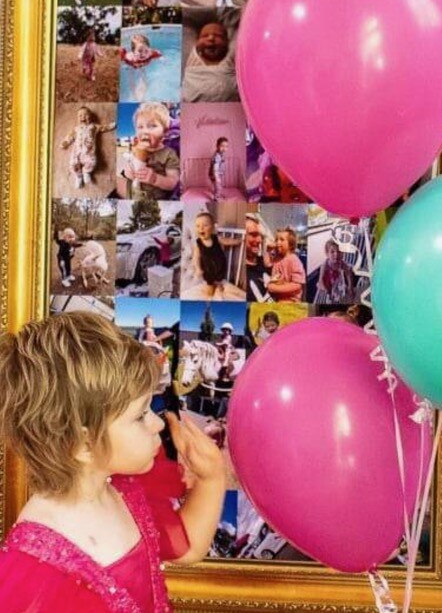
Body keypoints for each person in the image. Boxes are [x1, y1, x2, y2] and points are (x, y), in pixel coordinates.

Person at [0, 312, 226, 611]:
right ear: (83, 444)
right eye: (140, 416)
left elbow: (187, 547)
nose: (157, 425)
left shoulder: (124, 487)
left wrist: (212, 478)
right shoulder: (39, 568)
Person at [121, 102, 180, 201]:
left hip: (154, 198)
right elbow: (129, 167)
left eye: (152, 126)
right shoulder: (136, 149)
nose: (145, 131)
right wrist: (128, 171)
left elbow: (173, 182)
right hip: (134, 193)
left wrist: (155, 179)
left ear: (165, 132)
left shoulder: (169, 153)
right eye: (140, 127)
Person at [60, 105, 116, 189]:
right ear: (78, 118)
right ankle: (78, 176)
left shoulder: (93, 126)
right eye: (80, 115)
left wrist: (111, 125)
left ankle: (86, 172)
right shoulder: (76, 128)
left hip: (89, 152)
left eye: (86, 114)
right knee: (73, 164)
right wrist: (65, 143)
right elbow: (70, 136)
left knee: (92, 162)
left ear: (90, 117)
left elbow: (104, 128)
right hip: (77, 152)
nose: (83, 117)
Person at [182, 21, 239, 103]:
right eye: (204, 36)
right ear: (197, 41)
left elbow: (235, 22)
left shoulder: (232, 58)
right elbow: (187, 21)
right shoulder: (190, 56)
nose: (211, 38)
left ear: (227, 42)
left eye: (218, 36)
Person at [191, 212, 241, 300]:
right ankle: (212, 290)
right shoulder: (198, 243)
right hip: (208, 271)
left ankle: (218, 284)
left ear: (212, 227)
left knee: (219, 279)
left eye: (205, 225)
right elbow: (196, 258)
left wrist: (237, 241)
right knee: (209, 291)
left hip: (220, 268)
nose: (201, 228)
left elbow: (226, 241)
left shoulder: (216, 238)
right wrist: (198, 269)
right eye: (198, 226)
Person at [267, 227, 306, 303]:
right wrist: (268, 250)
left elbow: (297, 285)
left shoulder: (294, 260)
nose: (278, 242)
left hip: (291, 299)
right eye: (276, 240)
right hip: (277, 297)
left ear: (291, 245)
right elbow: (267, 263)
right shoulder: (277, 258)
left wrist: (275, 288)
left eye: (281, 240)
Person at [316, 238, 355, 303]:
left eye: (339, 251)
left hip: (337, 283)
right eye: (332, 252)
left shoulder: (342, 263)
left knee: (345, 293)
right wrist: (325, 289)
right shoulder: (325, 265)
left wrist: (350, 286)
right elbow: (321, 280)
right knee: (325, 296)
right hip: (327, 282)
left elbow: (348, 274)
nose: (336, 254)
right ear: (327, 254)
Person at [245, 213, 272, 302]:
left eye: (260, 236)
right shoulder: (241, 274)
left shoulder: (265, 262)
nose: (259, 240)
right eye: (253, 234)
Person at [209, 137, 228, 201]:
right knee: (218, 187)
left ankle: (217, 194)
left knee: (218, 185)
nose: (224, 148)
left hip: (218, 173)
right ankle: (216, 198)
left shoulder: (221, 154)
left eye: (226, 146)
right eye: (222, 146)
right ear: (217, 146)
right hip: (214, 174)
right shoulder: (217, 156)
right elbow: (215, 167)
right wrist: (216, 177)